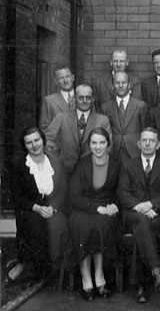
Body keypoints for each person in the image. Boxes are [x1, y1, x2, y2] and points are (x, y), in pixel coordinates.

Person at [7, 127, 71, 285]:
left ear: (43, 140)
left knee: (59, 224)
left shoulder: (55, 162)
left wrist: (53, 207)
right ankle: (33, 268)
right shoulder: (20, 165)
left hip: (52, 206)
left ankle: (56, 268)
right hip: (30, 208)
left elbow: (63, 189)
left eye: (37, 140)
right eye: (29, 142)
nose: (34, 145)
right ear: (24, 145)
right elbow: (17, 197)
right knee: (34, 224)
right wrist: (37, 208)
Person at [117, 127, 160, 303]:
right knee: (141, 224)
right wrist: (140, 207)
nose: (148, 144)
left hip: (157, 215)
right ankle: (156, 272)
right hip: (133, 214)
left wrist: (151, 204)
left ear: (158, 144)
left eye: (152, 141)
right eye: (144, 140)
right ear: (139, 143)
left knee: (140, 233)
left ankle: (141, 286)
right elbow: (123, 192)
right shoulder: (128, 164)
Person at [69, 128, 120, 301]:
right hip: (84, 208)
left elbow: (120, 192)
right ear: (89, 145)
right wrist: (95, 208)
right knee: (83, 225)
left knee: (101, 225)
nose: (98, 147)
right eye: (94, 143)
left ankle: (99, 275)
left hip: (106, 210)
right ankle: (86, 278)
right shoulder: (81, 164)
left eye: (102, 143)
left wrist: (115, 205)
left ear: (108, 144)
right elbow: (74, 196)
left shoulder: (116, 164)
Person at [45, 84, 112, 175]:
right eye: (81, 98)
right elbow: (47, 140)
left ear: (93, 99)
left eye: (88, 98)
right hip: (65, 171)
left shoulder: (102, 120)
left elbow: (108, 146)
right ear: (74, 98)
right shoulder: (61, 117)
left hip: (92, 172)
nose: (84, 101)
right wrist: (57, 160)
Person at [101, 72, 148, 163]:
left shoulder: (140, 106)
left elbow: (144, 130)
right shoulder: (106, 107)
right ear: (112, 86)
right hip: (114, 151)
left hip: (134, 151)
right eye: (117, 83)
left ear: (129, 85)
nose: (121, 85)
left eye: (124, 82)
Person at [39, 65, 76, 131]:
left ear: (72, 77)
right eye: (61, 78)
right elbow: (45, 128)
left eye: (67, 76)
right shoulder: (49, 101)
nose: (65, 80)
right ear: (56, 81)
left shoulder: (84, 97)